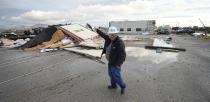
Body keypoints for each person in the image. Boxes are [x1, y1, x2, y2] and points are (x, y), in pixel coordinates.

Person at [95, 26, 126, 95]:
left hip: (116, 63)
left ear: (116, 34)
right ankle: (113, 85)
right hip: (110, 62)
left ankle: (123, 86)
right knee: (111, 75)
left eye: (113, 35)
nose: (111, 36)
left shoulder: (120, 43)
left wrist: (118, 64)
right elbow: (103, 35)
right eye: (110, 34)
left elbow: (122, 55)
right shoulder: (108, 38)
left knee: (116, 76)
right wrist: (97, 30)